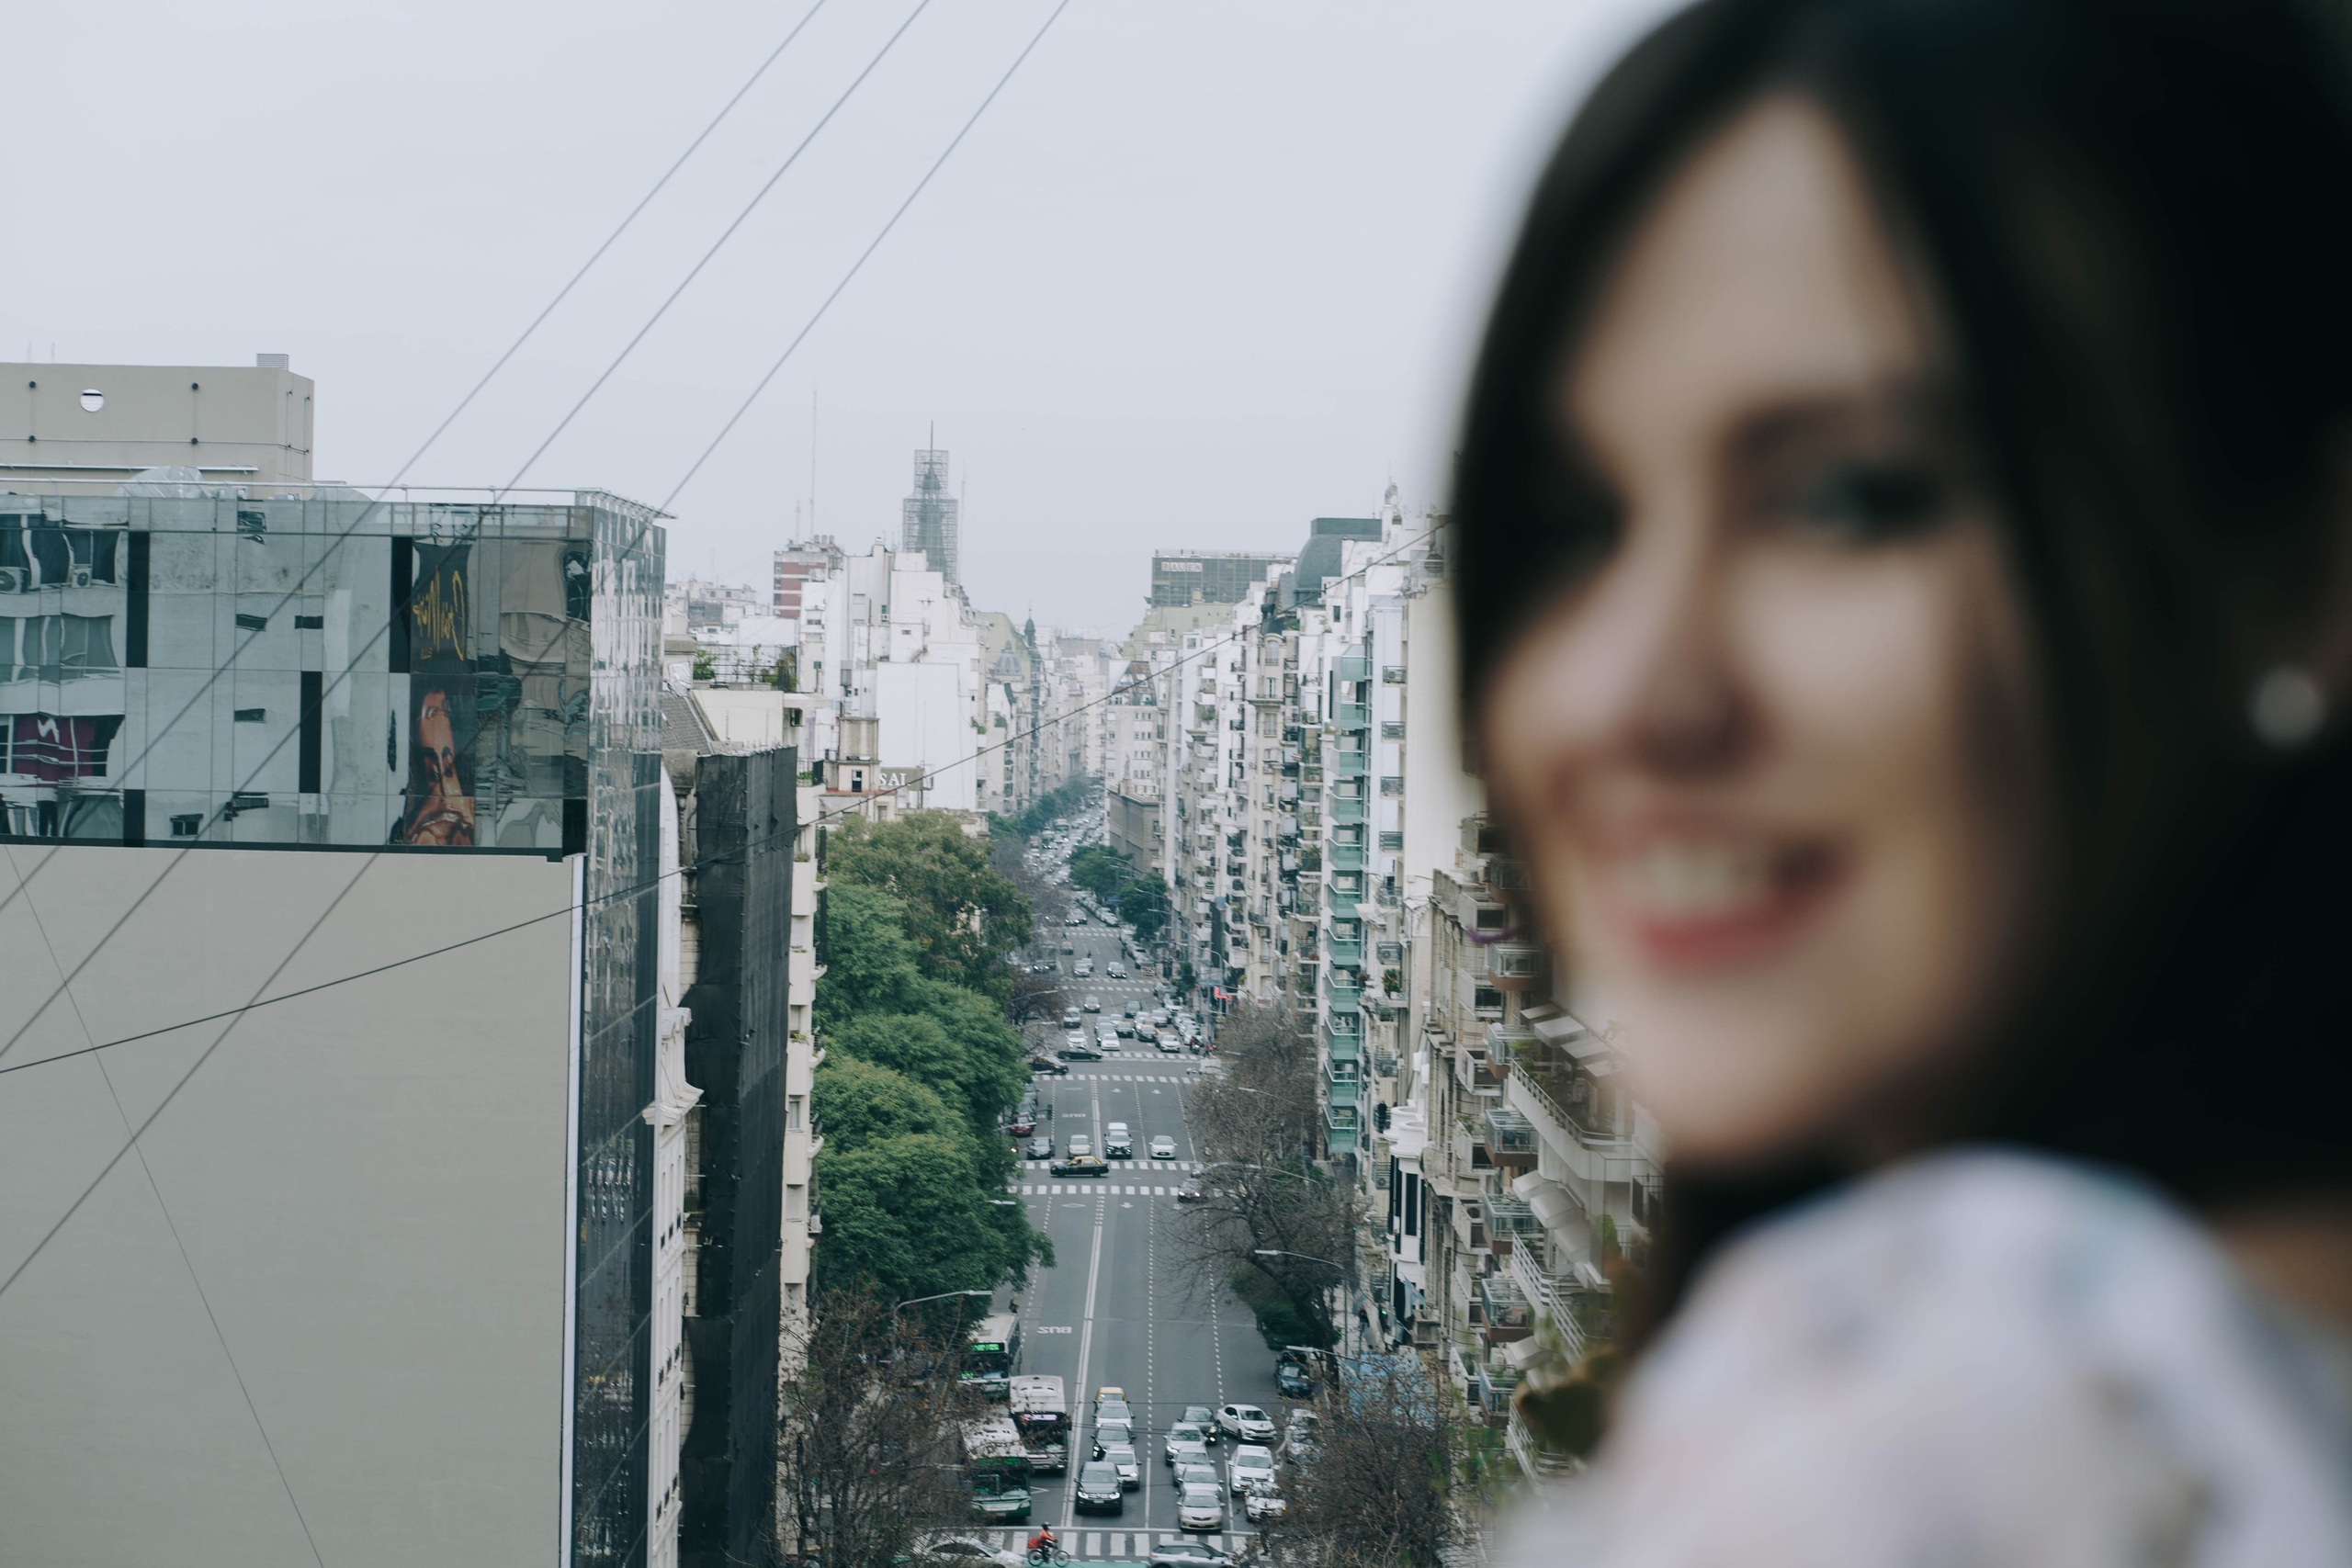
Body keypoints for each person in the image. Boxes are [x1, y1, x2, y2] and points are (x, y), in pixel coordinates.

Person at [1453, 0, 2352, 1560]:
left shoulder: (1962, 1448)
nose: (1633, 693)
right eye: (1575, 525)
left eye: (1851, 499)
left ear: (2299, 574)